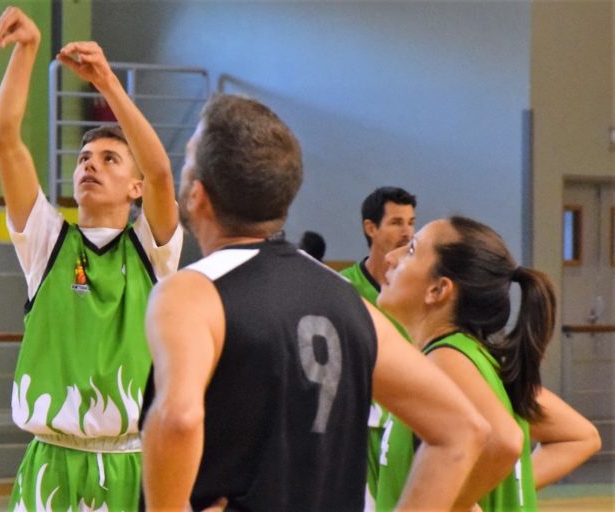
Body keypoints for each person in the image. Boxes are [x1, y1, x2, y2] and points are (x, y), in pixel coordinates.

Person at [140, 94, 491, 511]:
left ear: (198, 194)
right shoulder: (349, 300)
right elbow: (462, 429)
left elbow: (178, 418)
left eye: (187, 160)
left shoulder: (191, 292)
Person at [0, 6, 182, 511]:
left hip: (130, 463)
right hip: (51, 461)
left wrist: (106, 83)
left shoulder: (153, 251)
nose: (91, 165)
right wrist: (28, 49)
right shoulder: (47, 242)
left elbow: (162, 173)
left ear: (135, 188)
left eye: (109, 159)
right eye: (83, 159)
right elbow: (3, 138)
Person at [375, 216, 601, 511]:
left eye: (412, 250)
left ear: (438, 290)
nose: (391, 257)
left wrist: (447, 502)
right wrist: (491, 491)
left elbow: (504, 441)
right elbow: (578, 436)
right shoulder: (475, 358)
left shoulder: (447, 359)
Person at [340, 186, 415, 509]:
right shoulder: (343, 289)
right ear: (371, 228)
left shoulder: (418, 289)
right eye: (396, 222)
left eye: (411, 222)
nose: (407, 232)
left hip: (410, 423)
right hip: (360, 429)